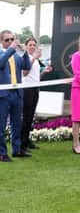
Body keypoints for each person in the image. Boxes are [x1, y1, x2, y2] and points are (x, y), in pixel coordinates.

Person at [0, 30, 32, 162]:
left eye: (12, 39)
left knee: (17, 123)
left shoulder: (16, 56)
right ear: (1, 41)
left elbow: (26, 66)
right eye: (7, 40)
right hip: (3, 95)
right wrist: (11, 50)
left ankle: (17, 150)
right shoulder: (3, 54)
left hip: (17, 93)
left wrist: (24, 52)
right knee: (1, 125)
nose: (10, 42)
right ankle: (2, 153)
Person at [21, 37, 53, 151]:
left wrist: (44, 71)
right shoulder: (25, 57)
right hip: (26, 89)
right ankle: (22, 143)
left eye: (34, 45)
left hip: (35, 88)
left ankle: (27, 140)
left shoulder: (35, 60)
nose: (32, 47)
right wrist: (34, 58)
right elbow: (25, 73)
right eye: (30, 45)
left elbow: (36, 78)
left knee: (31, 116)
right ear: (25, 46)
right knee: (26, 116)